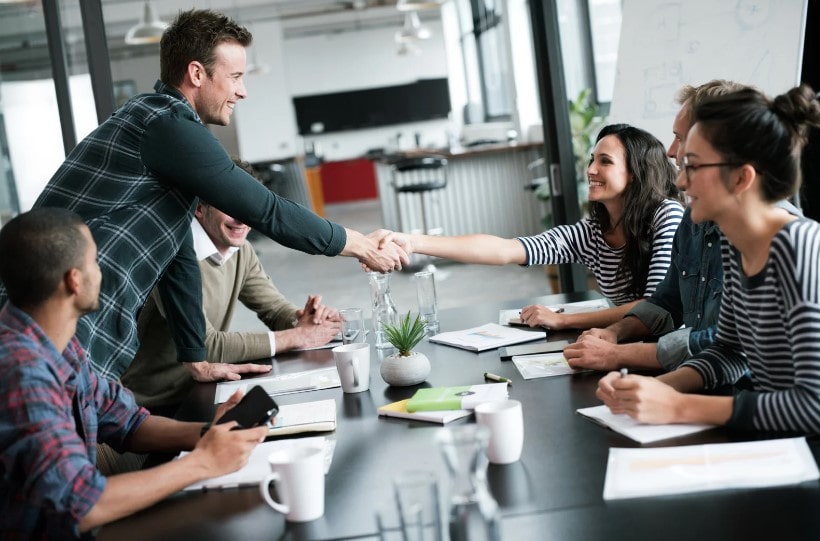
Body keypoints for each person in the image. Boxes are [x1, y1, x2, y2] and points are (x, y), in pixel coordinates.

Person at [0, 9, 406, 383]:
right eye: (235, 77)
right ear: (197, 73)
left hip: (62, 313)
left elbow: (175, 255)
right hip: (47, 314)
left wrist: (196, 358)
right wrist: (361, 245)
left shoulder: (158, 123)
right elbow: (266, 209)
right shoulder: (165, 124)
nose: (242, 91)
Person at [0, 208, 268, 539]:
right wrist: (205, 461)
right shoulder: (20, 371)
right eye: (95, 262)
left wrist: (211, 432)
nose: (102, 272)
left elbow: (128, 423)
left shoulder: (53, 341)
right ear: (74, 280)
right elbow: (80, 504)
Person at [596, 84, 820, 432]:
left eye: (693, 166)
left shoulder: (800, 248)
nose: (681, 182)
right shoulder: (736, 244)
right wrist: (655, 389)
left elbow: (813, 406)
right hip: (777, 442)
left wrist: (679, 406)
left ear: (742, 178)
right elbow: (728, 351)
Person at [373, 124, 684, 330]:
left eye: (605, 161)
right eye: (592, 159)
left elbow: (652, 306)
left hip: (674, 354)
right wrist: (412, 242)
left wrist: (565, 321)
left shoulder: (666, 215)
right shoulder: (592, 232)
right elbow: (506, 249)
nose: (590, 170)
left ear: (636, 173)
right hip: (625, 343)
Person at [123, 163, 342, 413]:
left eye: (247, 205)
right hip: (153, 406)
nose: (241, 218)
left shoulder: (241, 251)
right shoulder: (173, 256)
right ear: (200, 208)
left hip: (207, 388)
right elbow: (205, 345)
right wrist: (298, 337)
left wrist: (303, 320)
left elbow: (273, 308)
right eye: (229, 205)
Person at [563, 81, 745, 371]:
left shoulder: (773, 238)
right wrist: (615, 333)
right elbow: (666, 300)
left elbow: (729, 347)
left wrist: (618, 356)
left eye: (681, 139)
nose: (671, 152)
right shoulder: (693, 221)